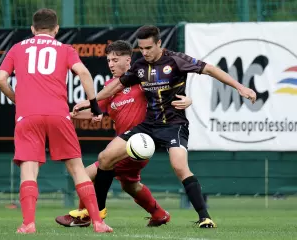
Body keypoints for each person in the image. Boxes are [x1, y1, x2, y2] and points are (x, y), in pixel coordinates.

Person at [74, 25, 257, 228]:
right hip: (148, 126)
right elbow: (116, 86)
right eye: (141, 49)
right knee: (105, 157)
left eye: (148, 48)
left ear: (159, 43)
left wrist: (240, 87)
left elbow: (210, 69)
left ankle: (205, 216)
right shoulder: (140, 66)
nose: (144, 53)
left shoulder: (176, 60)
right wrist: (92, 102)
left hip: (173, 125)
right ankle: (99, 211)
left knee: (179, 166)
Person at [0, 8, 112, 234]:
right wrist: (95, 105)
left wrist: (18, 100)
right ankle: (97, 222)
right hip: (59, 114)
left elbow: (0, 80)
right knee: (77, 169)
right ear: (57, 29)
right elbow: (84, 73)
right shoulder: (65, 49)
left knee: (29, 171)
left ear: (32, 29)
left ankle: (28, 224)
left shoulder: (18, 48)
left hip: (28, 116)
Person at [55, 40, 193, 228]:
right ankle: (159, 214)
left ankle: (86, 215)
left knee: (86, 174)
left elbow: (167, 95)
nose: (110, 64)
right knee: (130, 184)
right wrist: (74, 115)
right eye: (108, 60)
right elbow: (98, 111)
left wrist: (188, 100)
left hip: (139, 142)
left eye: (114, 59)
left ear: (128, 60)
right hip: (123, 146)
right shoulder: (110, 86)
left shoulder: (144, 80)